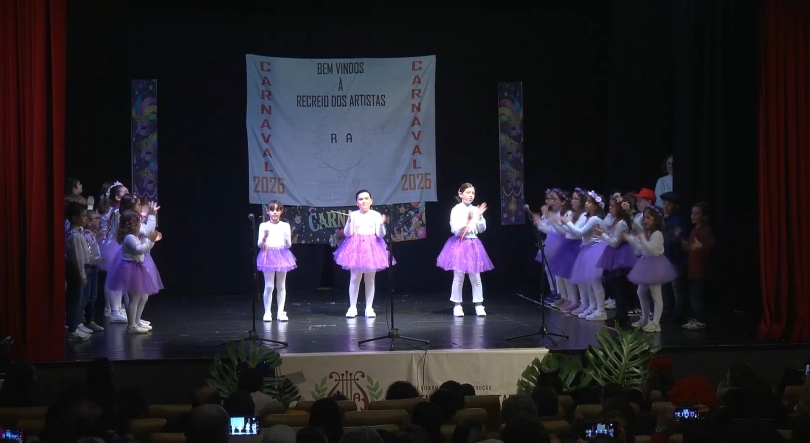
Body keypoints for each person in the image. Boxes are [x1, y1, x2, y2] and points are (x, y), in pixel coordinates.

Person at [436, 183, 494, 317]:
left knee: (476, 276)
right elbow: (455, 229)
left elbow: (481, 229)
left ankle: (479, 304)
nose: (471, 195)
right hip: (460, 243)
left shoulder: (475, 209)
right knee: (459, 276)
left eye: (472, 193)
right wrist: (466, 222)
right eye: (468, 192)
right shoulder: (456, 209)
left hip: (473, 243)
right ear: (461, 194)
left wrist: (478, 216)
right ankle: (457, 305)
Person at [333, 190, 391, 318]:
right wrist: (349, 221)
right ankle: (352, 307)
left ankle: (369, 308)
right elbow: (348, 234)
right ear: (356, 202)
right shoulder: (353, 215)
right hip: (356, 248)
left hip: (372, 248)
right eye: (360, 199)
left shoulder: (376, 215)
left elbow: (380, 234)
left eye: (366, 198)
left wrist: (381, 224)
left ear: (371, 201)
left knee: (370, 280)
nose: (363, 201)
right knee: (354, 278)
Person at [105, 210, 162, 334]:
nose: (141, 226)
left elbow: (141, 246)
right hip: (130, 269)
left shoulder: (134, 236)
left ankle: (136, 321)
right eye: (140, 223)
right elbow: (139, 250)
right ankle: (131, 326)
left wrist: (151, 240)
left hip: (137, 267)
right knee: (134, 298)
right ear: (133, 225)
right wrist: (150, 241)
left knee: (143, 296)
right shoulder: (129, 238)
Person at [626, 206, 678, 333]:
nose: (645, 220)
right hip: (646, 263)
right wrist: (633, 239)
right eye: (644, 218)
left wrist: (642, 238)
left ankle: (655, 323)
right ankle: (644, 318)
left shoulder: (657, 234)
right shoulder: (648, 233)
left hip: (655, 265)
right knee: (641, 292)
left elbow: (654, 251)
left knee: (656, 294)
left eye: (648, 218)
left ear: (656, 220)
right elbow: (641, 249)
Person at [561, 190, 607, 321]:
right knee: (589, 282)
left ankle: (601, 310)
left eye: (589, 202)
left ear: (596, 206)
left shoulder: (595, 219)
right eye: (586, 201)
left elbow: (580, 232)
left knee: (595, 283)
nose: (586, 204)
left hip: (595, 251)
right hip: (587, 250)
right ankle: (592, 307)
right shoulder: (589, 218)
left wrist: (568, 222)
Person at [594, 193, 637, 327]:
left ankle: (623, 316)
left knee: (618, 287)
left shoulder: (621, 224)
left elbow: (614, 242)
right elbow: (608, 229)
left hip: (620, 256)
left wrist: (602, 234)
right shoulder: (615, 221)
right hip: (614, 255)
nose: (610, 209)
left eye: (613, 206)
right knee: (615, 286)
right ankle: (620, 314)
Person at [257, 200, 296, 322]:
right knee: (269, 286)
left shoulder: (285, 225)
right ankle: (267, 312)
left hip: (282, 255)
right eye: (272, 210)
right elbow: (259, 244)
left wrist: (287, 239)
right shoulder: (263, 226)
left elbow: (289, 245)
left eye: (277, 210)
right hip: (268, 255)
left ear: (281, 211)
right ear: (268, 211)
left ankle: (280, 312)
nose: (274, 212)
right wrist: (264, 239)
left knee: (281, 285)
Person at [679, 202, 714, 330]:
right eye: (692, 213)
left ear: (704, 216)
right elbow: (689, 247)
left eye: (697, 214)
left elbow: (708, 248)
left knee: (697, 297)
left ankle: (700, 320)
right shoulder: (695, 229)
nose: (693, 216)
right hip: (692, 269)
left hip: (699, 270)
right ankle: (695, 317)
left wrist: (701, 247)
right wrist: (680, 239)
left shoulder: (705, 230)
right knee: (693, 296)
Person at [660, 191, 688, 324]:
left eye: (669, 204)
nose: (665, 206)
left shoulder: (678, 221)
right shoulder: (663, 220)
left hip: (675, 259)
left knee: (676, 288)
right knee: (665, 288)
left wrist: (672, 237)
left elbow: (677, 240)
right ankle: (668, 311)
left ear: (676, 206)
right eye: (664, 203)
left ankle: (678, 314)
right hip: (664, 259)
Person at [65, 202, 91, 341]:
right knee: (75, 300)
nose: (86, 218)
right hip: (76, 270)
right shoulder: (74, 236)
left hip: (81, 269)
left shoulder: (78, 233)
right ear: (75, 218)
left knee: (78, 299)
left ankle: (75, 327)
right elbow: (77, 258)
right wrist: (82, 275)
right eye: (83, 216)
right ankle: (73, 329)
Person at [81, 209, 104, 332]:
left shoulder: (92, 235)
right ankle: (81, 321)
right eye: (97, 220)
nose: (99, 221)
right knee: (85, 296)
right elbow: (87, 252)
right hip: (88, 267)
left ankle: (89, 320)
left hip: (94, 267)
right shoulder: (85, 235)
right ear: (89, 222)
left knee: (92, 296)